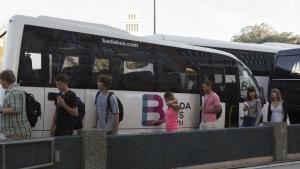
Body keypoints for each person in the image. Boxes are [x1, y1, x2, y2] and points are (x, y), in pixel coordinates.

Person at [0, 70, 31, 139]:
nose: (0, 82)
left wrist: (1, 109)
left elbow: (15, 109)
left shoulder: (14, 92)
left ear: (5, 80)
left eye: (1, 80)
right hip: (15, 132)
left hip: (16, 133)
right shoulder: (14, 90)